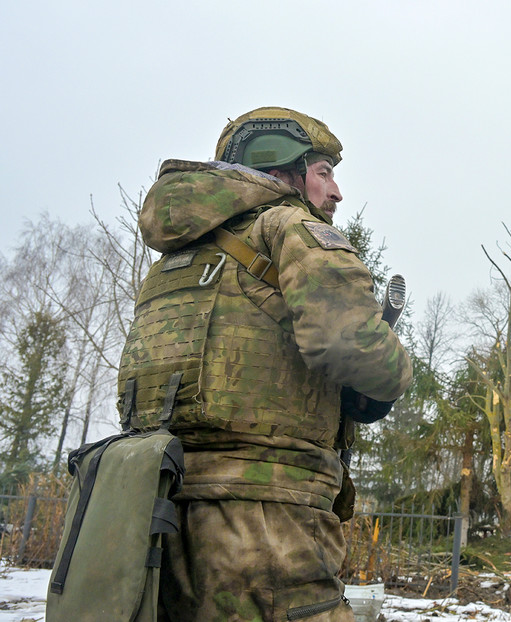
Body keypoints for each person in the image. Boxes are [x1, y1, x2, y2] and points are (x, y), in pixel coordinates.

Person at [116, 107, 412, 621]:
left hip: (155, 507)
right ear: (281, 170)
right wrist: (393, 365)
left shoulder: (175, 260)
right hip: (266, 520)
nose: (336, 192)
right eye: (323, 172)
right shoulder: (290, 226)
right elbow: (354, 346)